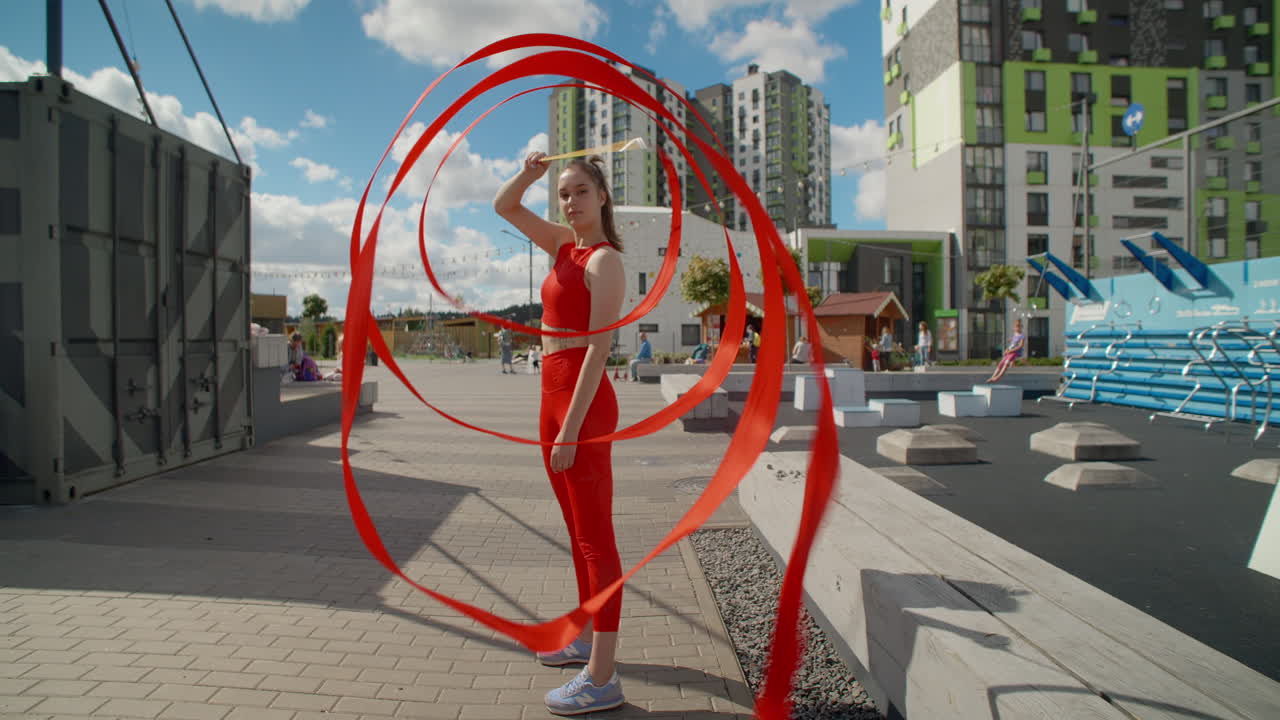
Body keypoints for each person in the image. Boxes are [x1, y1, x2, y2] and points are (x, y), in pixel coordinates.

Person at [495, 149, 627, 714]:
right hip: (551, 395)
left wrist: (571, 430)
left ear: (602, 197)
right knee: (576, 532)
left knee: (596, 536)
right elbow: (504, 206)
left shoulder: (603, 260)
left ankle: (603, 677)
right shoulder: (561, 246)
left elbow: (599, 349)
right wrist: (530, 174)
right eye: (564, 193)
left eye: (580, 191)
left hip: (583, 406)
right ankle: (583, 635)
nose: (570, 201)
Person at [986, 318, 1027, 383]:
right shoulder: (1015, 334)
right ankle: (992, 377)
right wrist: (1007, 349)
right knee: (1001, 363)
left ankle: (997, 377)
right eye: (1016, 327)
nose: (1017, 328)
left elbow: (1020, 346)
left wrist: (1011, 351)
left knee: (1006, 363)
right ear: (1014, 328)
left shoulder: (1022, 336)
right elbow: (1012, 344)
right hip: (1010, 351)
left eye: (1019, 327)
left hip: (1014, 352)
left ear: (1021, 327)